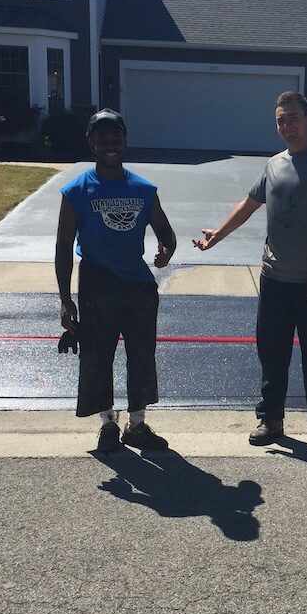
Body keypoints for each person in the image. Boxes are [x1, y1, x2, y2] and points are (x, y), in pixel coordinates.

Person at [192, 92, 307, 453]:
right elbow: (248, 204)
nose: (287, 126)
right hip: (275, 278)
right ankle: (271, 419)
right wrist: (217, 234)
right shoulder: (274, 165)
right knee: (272, 352)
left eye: (293, 118)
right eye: (281, 120)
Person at [55, 109, 177, 452]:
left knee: (141, 355)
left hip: (138, 286)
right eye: (102, 136)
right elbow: (64, 246)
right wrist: (66, 299)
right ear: (91, 143)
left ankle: (137, 424)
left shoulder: (142, 189)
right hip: (96, 283)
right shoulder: (76, 191)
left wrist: (167, 248)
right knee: (97, 355)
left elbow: (165, 231)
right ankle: (108, 423)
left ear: (125, 141)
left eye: (116, 136)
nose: (110, 143)